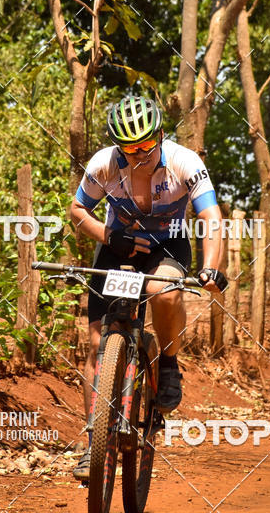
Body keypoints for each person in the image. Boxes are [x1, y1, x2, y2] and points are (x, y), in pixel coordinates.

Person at [69, 94, 227, 481]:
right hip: (119, 245)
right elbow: (77, 211)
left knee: (163, 289)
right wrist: (108, 236)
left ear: (159, 134)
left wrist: (210, 269)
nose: (137, 154)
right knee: (96, 345)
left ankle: (169, 364)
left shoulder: (184, 162)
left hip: (168, 245)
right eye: (128, 148)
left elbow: (211, 216)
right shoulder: (103, 164)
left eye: (145, 145)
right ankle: (94, 442)